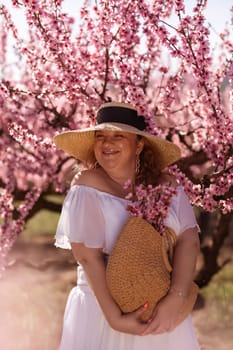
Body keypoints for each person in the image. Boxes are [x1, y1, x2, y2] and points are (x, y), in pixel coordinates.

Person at [54, 102, 201, 350]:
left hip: (159, 303)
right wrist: (115, 319)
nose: (107, 144)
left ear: (139, 145)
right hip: (101, 309)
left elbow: (189, 240)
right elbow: (88, 258)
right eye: (100, 136)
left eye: (118, 136)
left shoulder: (167, 185)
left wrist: (175, 298)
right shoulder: (87, 184)